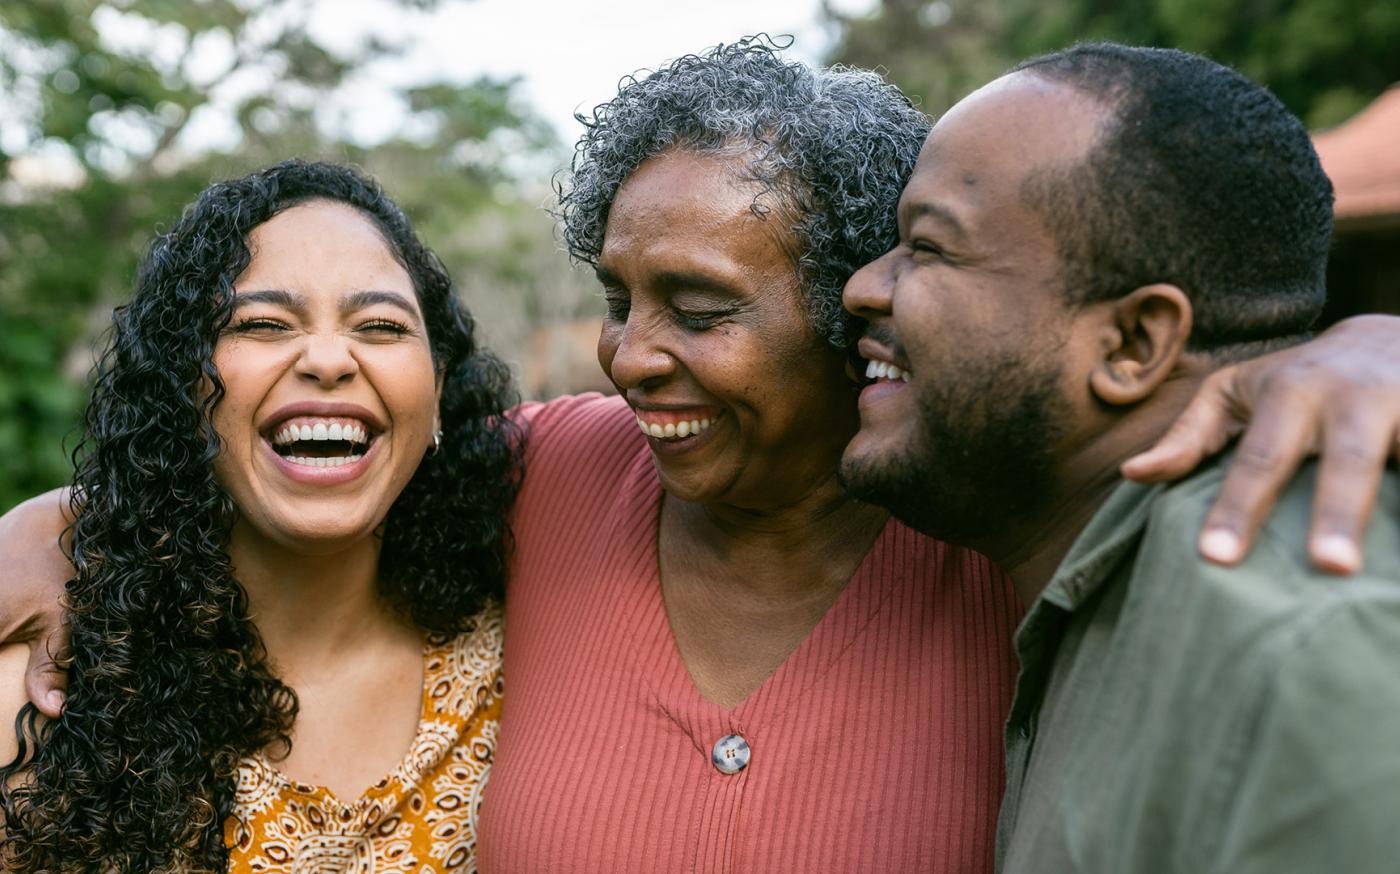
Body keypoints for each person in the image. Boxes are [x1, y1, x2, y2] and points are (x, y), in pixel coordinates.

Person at [5, 38, 1400, 874]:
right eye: (619, 297)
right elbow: (312, 446)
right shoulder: (552, 476)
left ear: (859, 302)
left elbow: (1148, 391)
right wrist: (45, 531)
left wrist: (1354, 346)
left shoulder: (990, 532)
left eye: (702, 307)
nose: (628, 354)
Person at [840, 43, 1400, 873]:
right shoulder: (1092, 594)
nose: (863, 285)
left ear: (1133, 343)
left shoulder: (1304, 645)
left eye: (929, 247)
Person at [0, 160, 519, 872]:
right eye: (264, 323)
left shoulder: (528, 661)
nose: (330, 358)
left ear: (437, 397)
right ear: (182, 389)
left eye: (380, 325)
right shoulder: (51, 684)